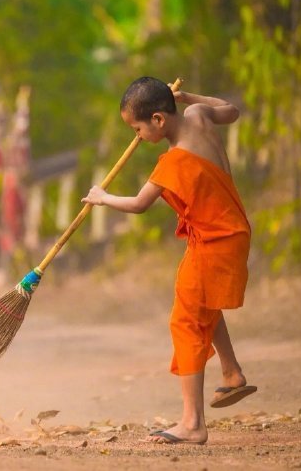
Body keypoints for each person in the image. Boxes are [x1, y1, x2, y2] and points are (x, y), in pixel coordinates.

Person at [81, 76, 256, 445]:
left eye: (138, 128)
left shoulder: (173, 162)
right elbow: (233, 110)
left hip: (216, 241)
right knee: (203, 305)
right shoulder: (199, 116)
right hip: (232, 231)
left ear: (159, 120)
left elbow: (138, 204)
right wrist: (188, 95)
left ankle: (192, 423)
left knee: (186, 321)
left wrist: (102, 197)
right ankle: (232, 372)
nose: (137, 136)